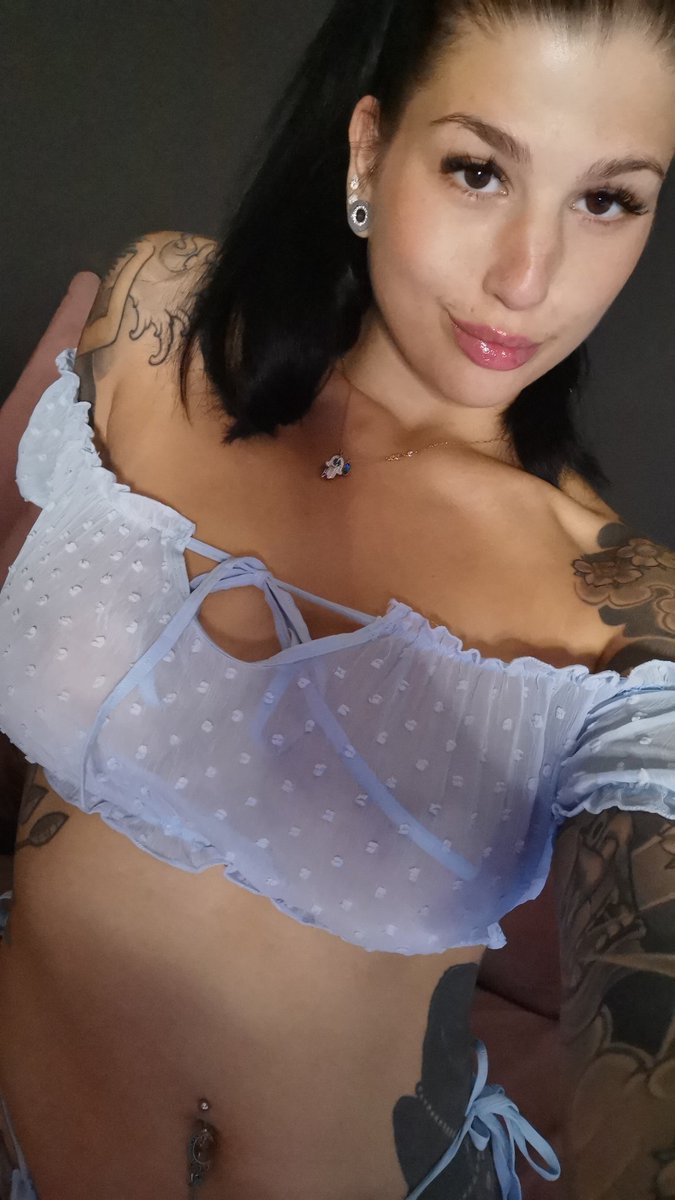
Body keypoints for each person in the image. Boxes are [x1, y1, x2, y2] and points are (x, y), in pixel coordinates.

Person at [0, 0, 674, 1196]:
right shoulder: (159, 321)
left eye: (608, 199)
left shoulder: (616, 617)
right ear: (369, 151)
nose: (528, 278)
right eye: (478, 171)